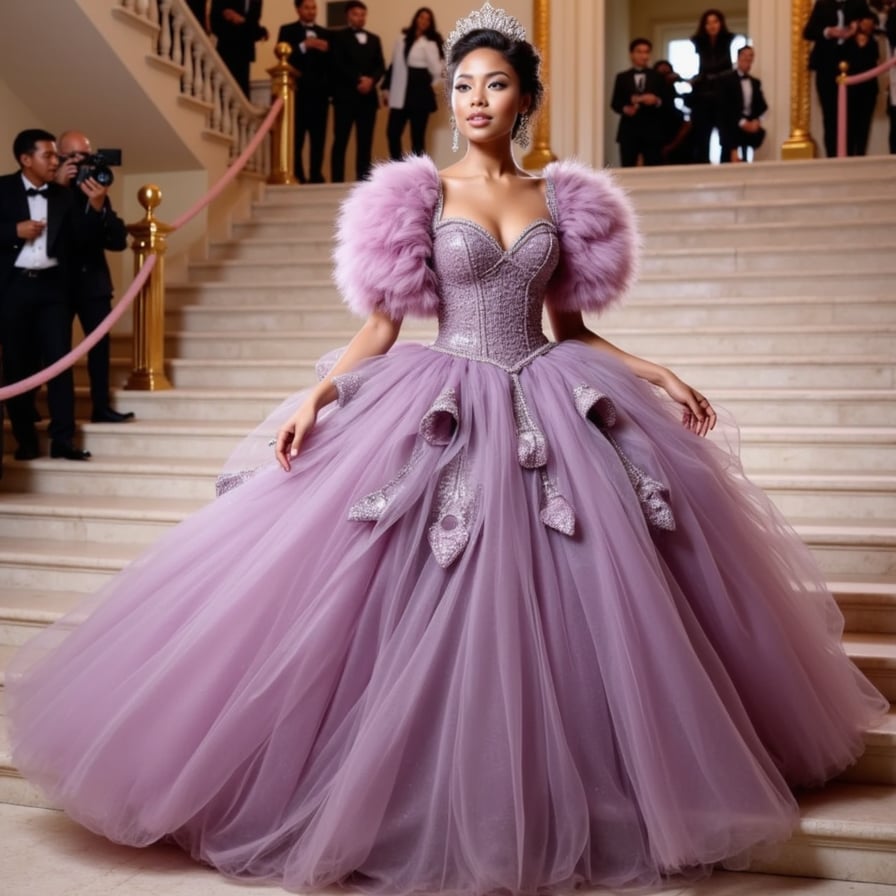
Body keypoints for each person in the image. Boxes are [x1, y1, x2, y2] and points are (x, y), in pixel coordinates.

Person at [6, 5, 888, 895]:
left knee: (595, 585)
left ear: (526, 99)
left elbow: (571, 329)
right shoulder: (416, 195)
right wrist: (320, 390)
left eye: (495, 84)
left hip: (547, 391)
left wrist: (653, 370)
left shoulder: (563, 200)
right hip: (441, 397)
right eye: (463, 84)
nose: (475, 99)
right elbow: (381, 328)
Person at [0, 129, 95, 461]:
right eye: (49, 155)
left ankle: (63, 440)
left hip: (53, 289)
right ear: (26, 159)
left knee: (60, 364)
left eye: (56, 155)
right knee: (17, 366)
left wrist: (94, 205)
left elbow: (82, 241)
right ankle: (25, 441)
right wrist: (13, 231)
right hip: (13, 290)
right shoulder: (2, 189)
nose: (56, 161)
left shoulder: (63, 195)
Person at [55, 131, 134, 424]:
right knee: (57, 353)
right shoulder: (51, 192)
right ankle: (60, 419)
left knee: (100, 352)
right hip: (57, 288)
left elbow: (117, 241)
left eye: (85, 156)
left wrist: (100, 206)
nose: (80, 162)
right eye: (72, 156)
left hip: (93, 285)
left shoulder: (96, 189)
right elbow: (65, 239)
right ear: (58, 156)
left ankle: (101, 407)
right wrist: (60, 188)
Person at [803, 0, 869, 157]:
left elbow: (872, 22)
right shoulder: (822, 4)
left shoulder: (858, 4)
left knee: (852, 115)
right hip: (826, 68)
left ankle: (850, 157)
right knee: (830, 116)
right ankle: (832, 156)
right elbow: (808, 32)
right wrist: (828, 31)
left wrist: (857, 26)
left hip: (854, 68)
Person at [329, 0, 385, 182]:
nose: (360, 18)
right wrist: (358, 79)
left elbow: (380, 65)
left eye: (362, 14)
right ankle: (336, 179)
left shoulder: (375, 38)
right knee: (341, 139)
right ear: (348, 16)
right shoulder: (337, 37)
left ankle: (363, 180)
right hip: (345, 96)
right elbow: (337, 64)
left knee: (365, 142)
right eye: (355, 14)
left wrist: (371, 80)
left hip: (368, 98)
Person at [277, 0, 332, 184]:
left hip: (320, 94)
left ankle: (316, 175)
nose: (311, 11)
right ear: (298, 9)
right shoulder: (287, 30)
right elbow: (283, 58)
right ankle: (298, 175)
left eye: (314, 7)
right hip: (297, 93)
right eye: (307, 7)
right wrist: (304, 46)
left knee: (319, 138)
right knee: (297, 137)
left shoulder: (325, 33)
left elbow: (333, 64)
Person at [381, 7, 444, 160]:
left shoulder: (431, 42)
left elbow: (438, 69)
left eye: (427, 19)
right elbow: (394, 64)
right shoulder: (402, 37)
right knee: (392, 133)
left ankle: (418, 174)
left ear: (430, 23)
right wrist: (385, 88)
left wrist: (433, 86)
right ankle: (398, 167)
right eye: (421, 17)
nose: (423, 21)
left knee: (417, 137)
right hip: (400, 87)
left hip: (420, 89)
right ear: (416, 18)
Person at [610, 38, 670, 167]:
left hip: (653, 131)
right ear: (631, 54)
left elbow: (667, 102)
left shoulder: (658, 76)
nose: (643, 55)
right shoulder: (621, 77)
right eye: (639, 52)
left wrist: (656, 100)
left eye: (646, 52)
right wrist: (625, 109)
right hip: (628, 131)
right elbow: (615, 103)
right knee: (627, 167)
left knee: (655, 169)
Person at [689, 9, 735, 163]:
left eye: (715, 21)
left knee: (726, 135)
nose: (712, 26)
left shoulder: (730, 40)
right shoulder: (697, 42)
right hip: (703, 95)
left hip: (724, 95)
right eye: (708, 23)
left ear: (721, 23)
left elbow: (725, 68)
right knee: (702, 136)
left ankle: (726, 168)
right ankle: (702, 168)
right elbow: (702, 68)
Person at [719, 46, 769, 163]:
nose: (748, 58)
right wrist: (742, 122)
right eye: (744, 55)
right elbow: (725, 107)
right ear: (738, 57)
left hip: (749, 128)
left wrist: (756, 121)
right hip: (731, 127)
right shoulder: (725, 80)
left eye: (751, 55)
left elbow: (761, 106)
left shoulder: (755, 82)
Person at [210, 0, 269, 98]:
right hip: (227, 50)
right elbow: (215, 25)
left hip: (245, 54)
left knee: (242, 94)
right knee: (224, 92)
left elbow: (254, 29)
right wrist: (260, 31)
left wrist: (241, 20)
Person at [846, 13, 881, 155]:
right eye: (866, 23)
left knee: (864, 125)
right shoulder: (848, 42)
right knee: (849, 125)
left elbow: (875, 62)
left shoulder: (874, 42)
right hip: (851, 90)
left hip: (869, 89)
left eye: (871, 24)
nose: (868, 26)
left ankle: (861, 153)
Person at [654, 59, 694, 164]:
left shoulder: (674, 89)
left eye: (668, 73)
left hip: (676, 133)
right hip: (658, 132)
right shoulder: (655, 91)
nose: (666, 76)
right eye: (662, 74)